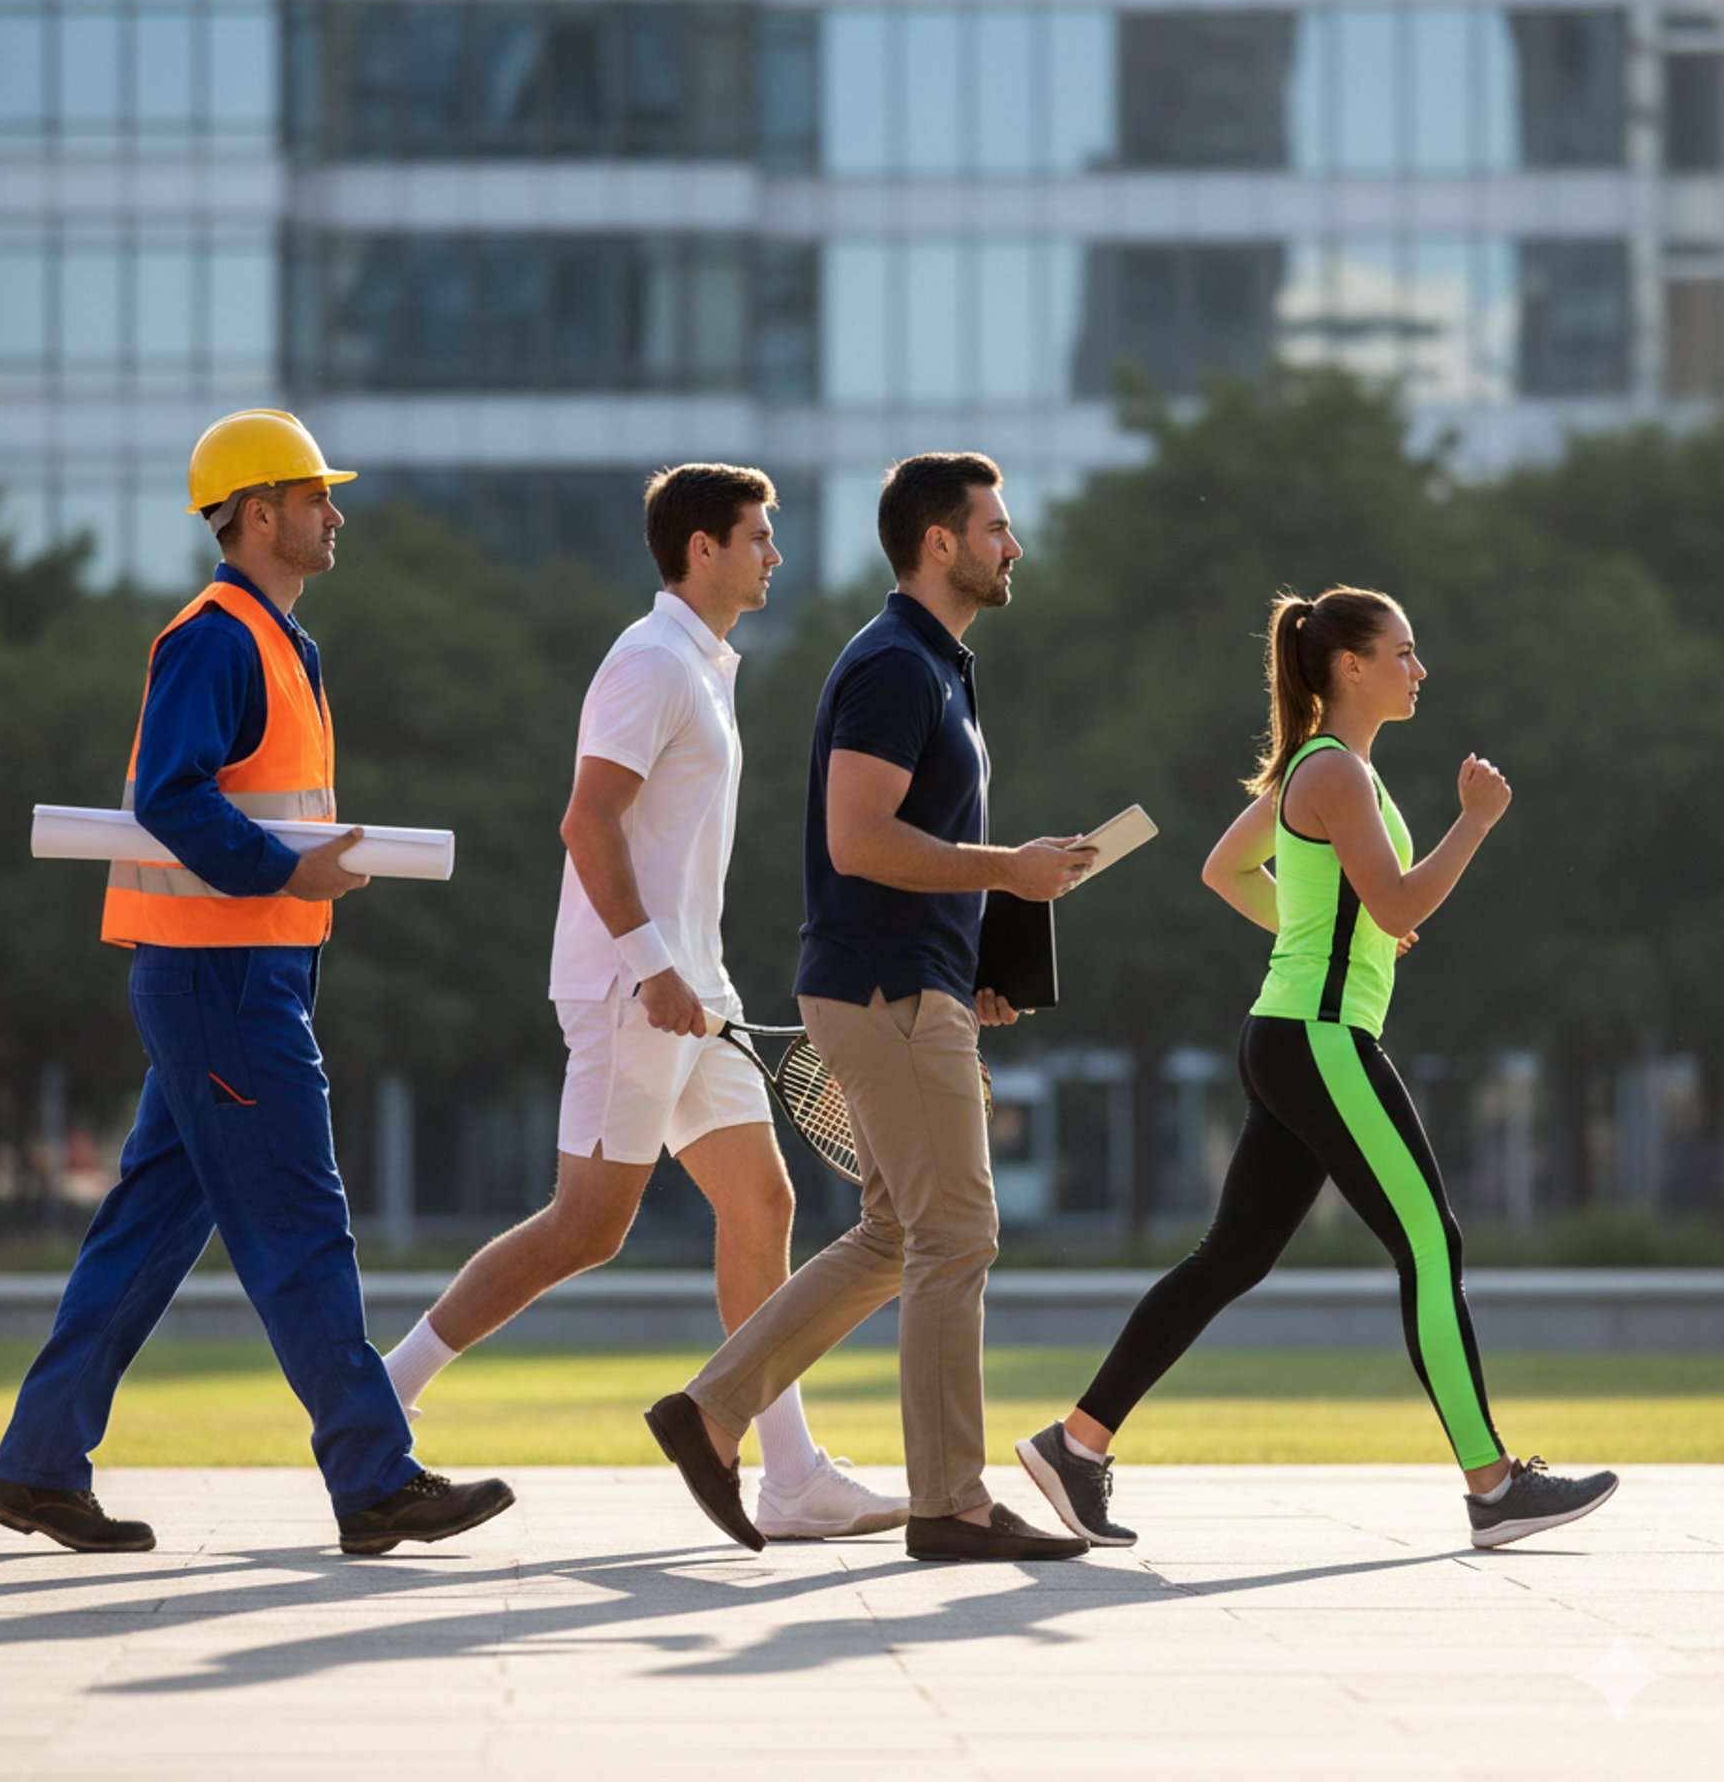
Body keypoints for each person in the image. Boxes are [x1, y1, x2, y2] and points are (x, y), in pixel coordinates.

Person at [0, 409, 513, 1556]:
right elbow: (174, 797)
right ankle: (376, 1479)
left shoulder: (276, 642)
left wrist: (298, 880)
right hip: (223, 983)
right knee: (302, 1224)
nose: (336, 513)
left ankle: (36, 1467)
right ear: (258, 512)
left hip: (233, 976)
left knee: (144, 1236)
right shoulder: (218, 637)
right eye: (317, 495)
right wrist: (289, 868)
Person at [1014, 587, 1619, 1552]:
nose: (1418, 670)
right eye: (1403, 653)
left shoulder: (1320, 769)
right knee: (1431, 1244)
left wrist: (1326, 931)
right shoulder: (1333, 771)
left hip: (1291, 1035)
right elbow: (1390, 905)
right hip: (1322, 1039)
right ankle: (1495, 1487)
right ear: (1350, 666)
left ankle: (1075, 1446)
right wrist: (1476, 821)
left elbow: (1228, 870)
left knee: (1232, 1259)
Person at [377, 464, 908, 1540]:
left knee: (762, 1204)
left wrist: (685, 972)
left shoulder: (707, 666)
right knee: (588, 1225)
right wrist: (651, 965)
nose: (775, 554)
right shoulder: (651, 661)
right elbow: (587, 822)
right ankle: (377, 1403)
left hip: (693, 983)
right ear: (700, 548)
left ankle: (792, 1473)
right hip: (637, 987)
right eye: (759, 536)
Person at [645, 452, 1098, 1562]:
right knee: (958, 1233)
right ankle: (950, 1502)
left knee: (900, 1236)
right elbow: (860, 840)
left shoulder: (938, 666)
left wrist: (976, 961)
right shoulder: (896, 666)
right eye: (994, 527)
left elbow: (901, 845)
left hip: (911, 981)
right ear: (937, 544)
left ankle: (710, 1411)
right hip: (883, 988)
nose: (1011, 545)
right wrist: (1009, 871)